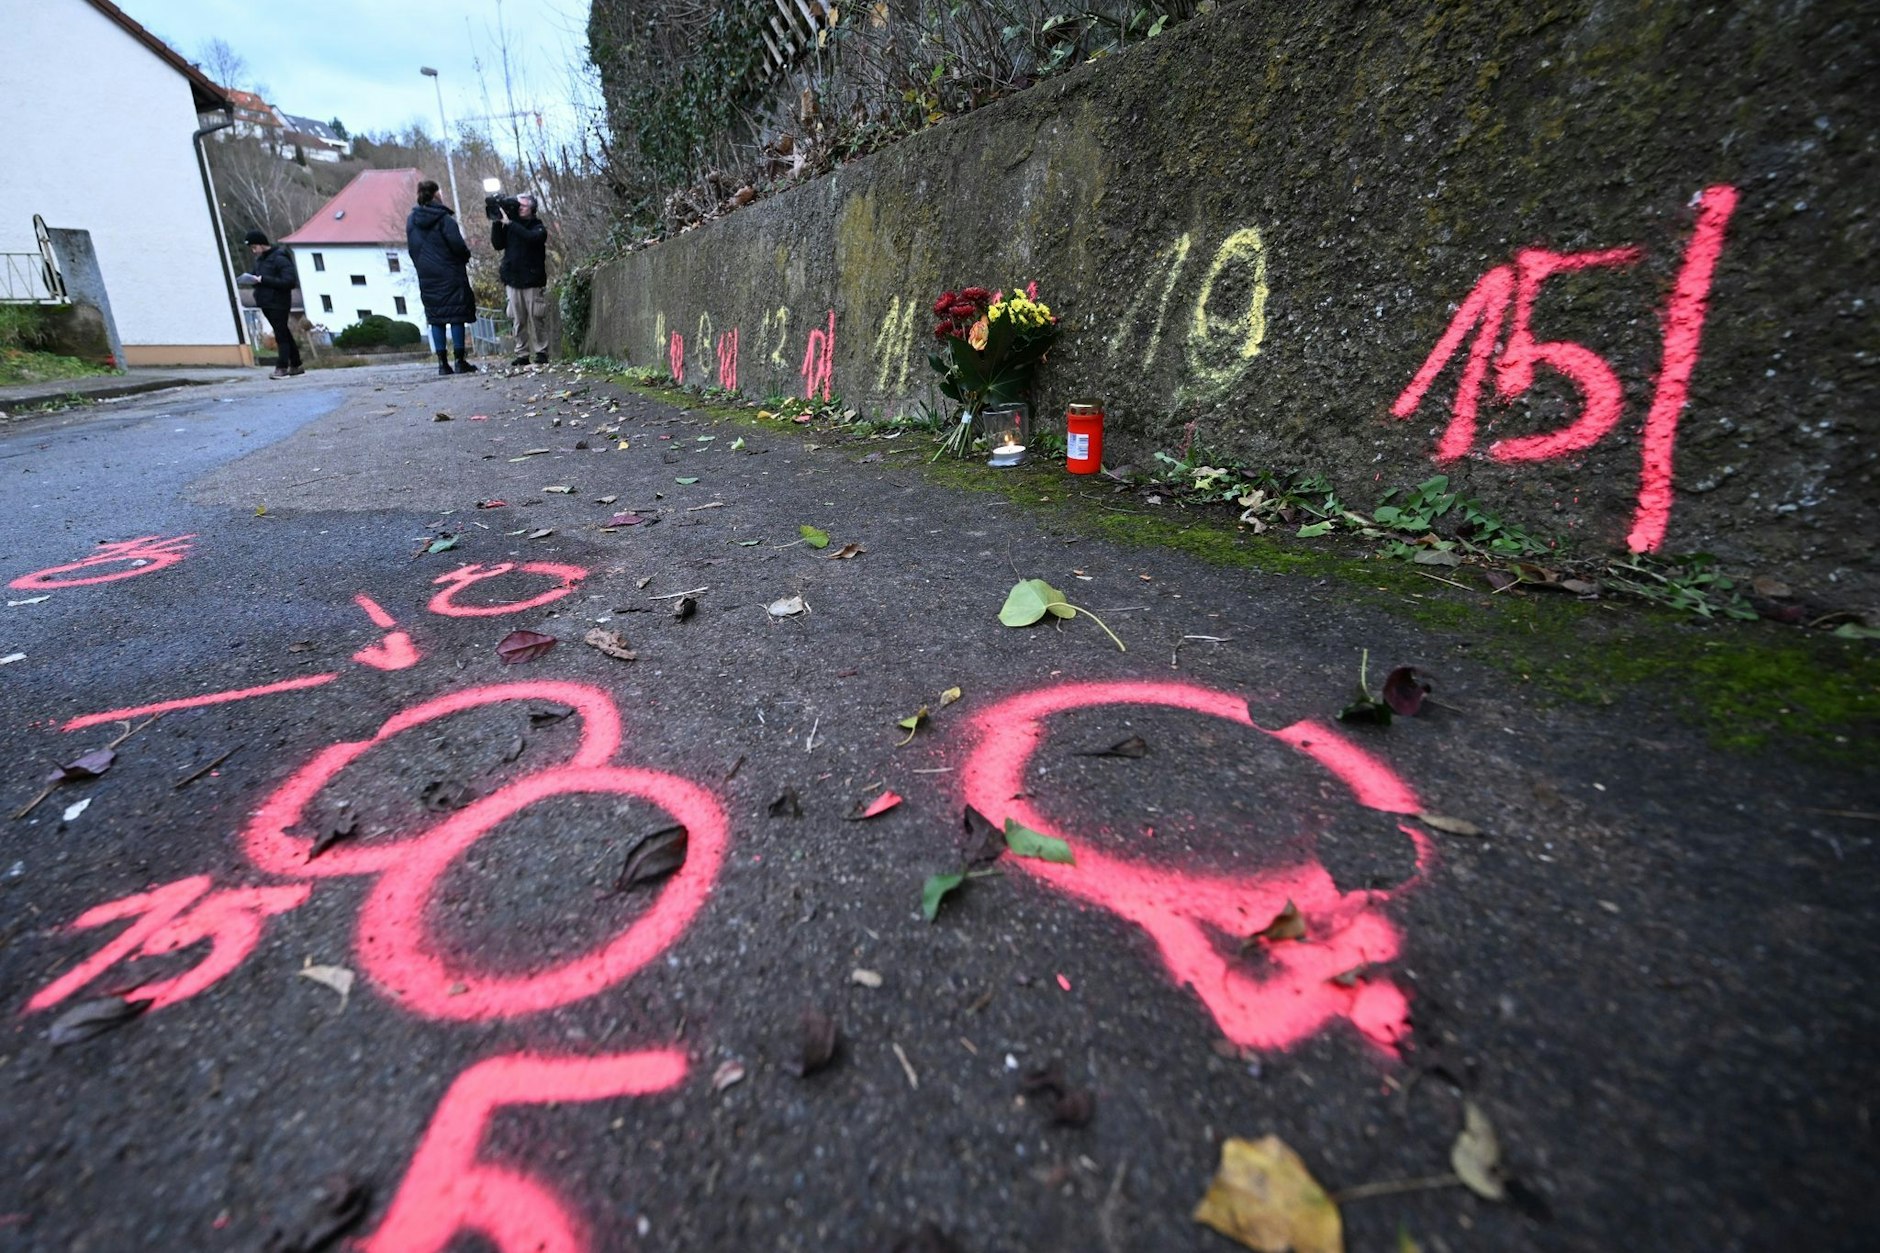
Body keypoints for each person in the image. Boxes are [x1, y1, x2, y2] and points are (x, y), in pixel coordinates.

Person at [405, 179, 478, 376]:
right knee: (456, 316)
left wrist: (422, 267)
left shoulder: (412, 220)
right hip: (450, 273)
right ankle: (460, 360)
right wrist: (464, 258)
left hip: (427, 276)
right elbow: (458, 245)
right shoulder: (445, 219)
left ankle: (442, 363)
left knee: (436, 318)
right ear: (437, 194)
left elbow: (412, 248)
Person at [490, 193, 550, 366]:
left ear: (532, 209)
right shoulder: (510, 225)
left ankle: (541, 352)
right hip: (513, 278)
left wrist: (510, 223)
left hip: (532, 279)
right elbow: (497, 244)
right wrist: (497, 221)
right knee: (518, 319)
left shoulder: (537, 226)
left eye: (522, 206)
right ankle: (522, 353)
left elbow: (533, 238)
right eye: (518, 205)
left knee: (536, 317)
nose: (519, 208)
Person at [238, 230, 301, 378]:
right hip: (265, 301)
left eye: (254, 247)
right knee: (284, 332)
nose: (253, 251)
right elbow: (257, 276)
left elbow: (289, 282)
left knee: (281, 335)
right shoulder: (260, 260)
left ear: (261, 244)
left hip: (279, 302)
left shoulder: (280, 258)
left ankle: (282, 366)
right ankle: (296, 364)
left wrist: (263, 280)